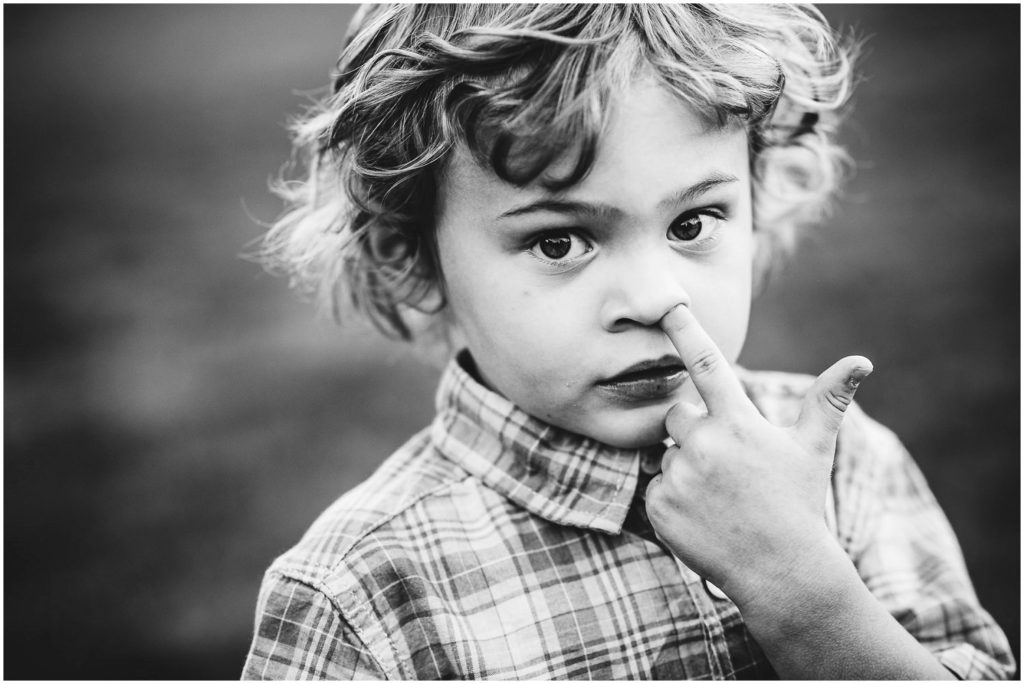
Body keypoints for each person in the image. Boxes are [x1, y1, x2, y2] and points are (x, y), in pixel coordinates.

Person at [242, 4, 1014, 679]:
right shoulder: (362, 593)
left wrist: (805, 596)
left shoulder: (847, 467)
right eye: (558, 242)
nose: (655, 297)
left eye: (691, 224)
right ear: (410, 257)